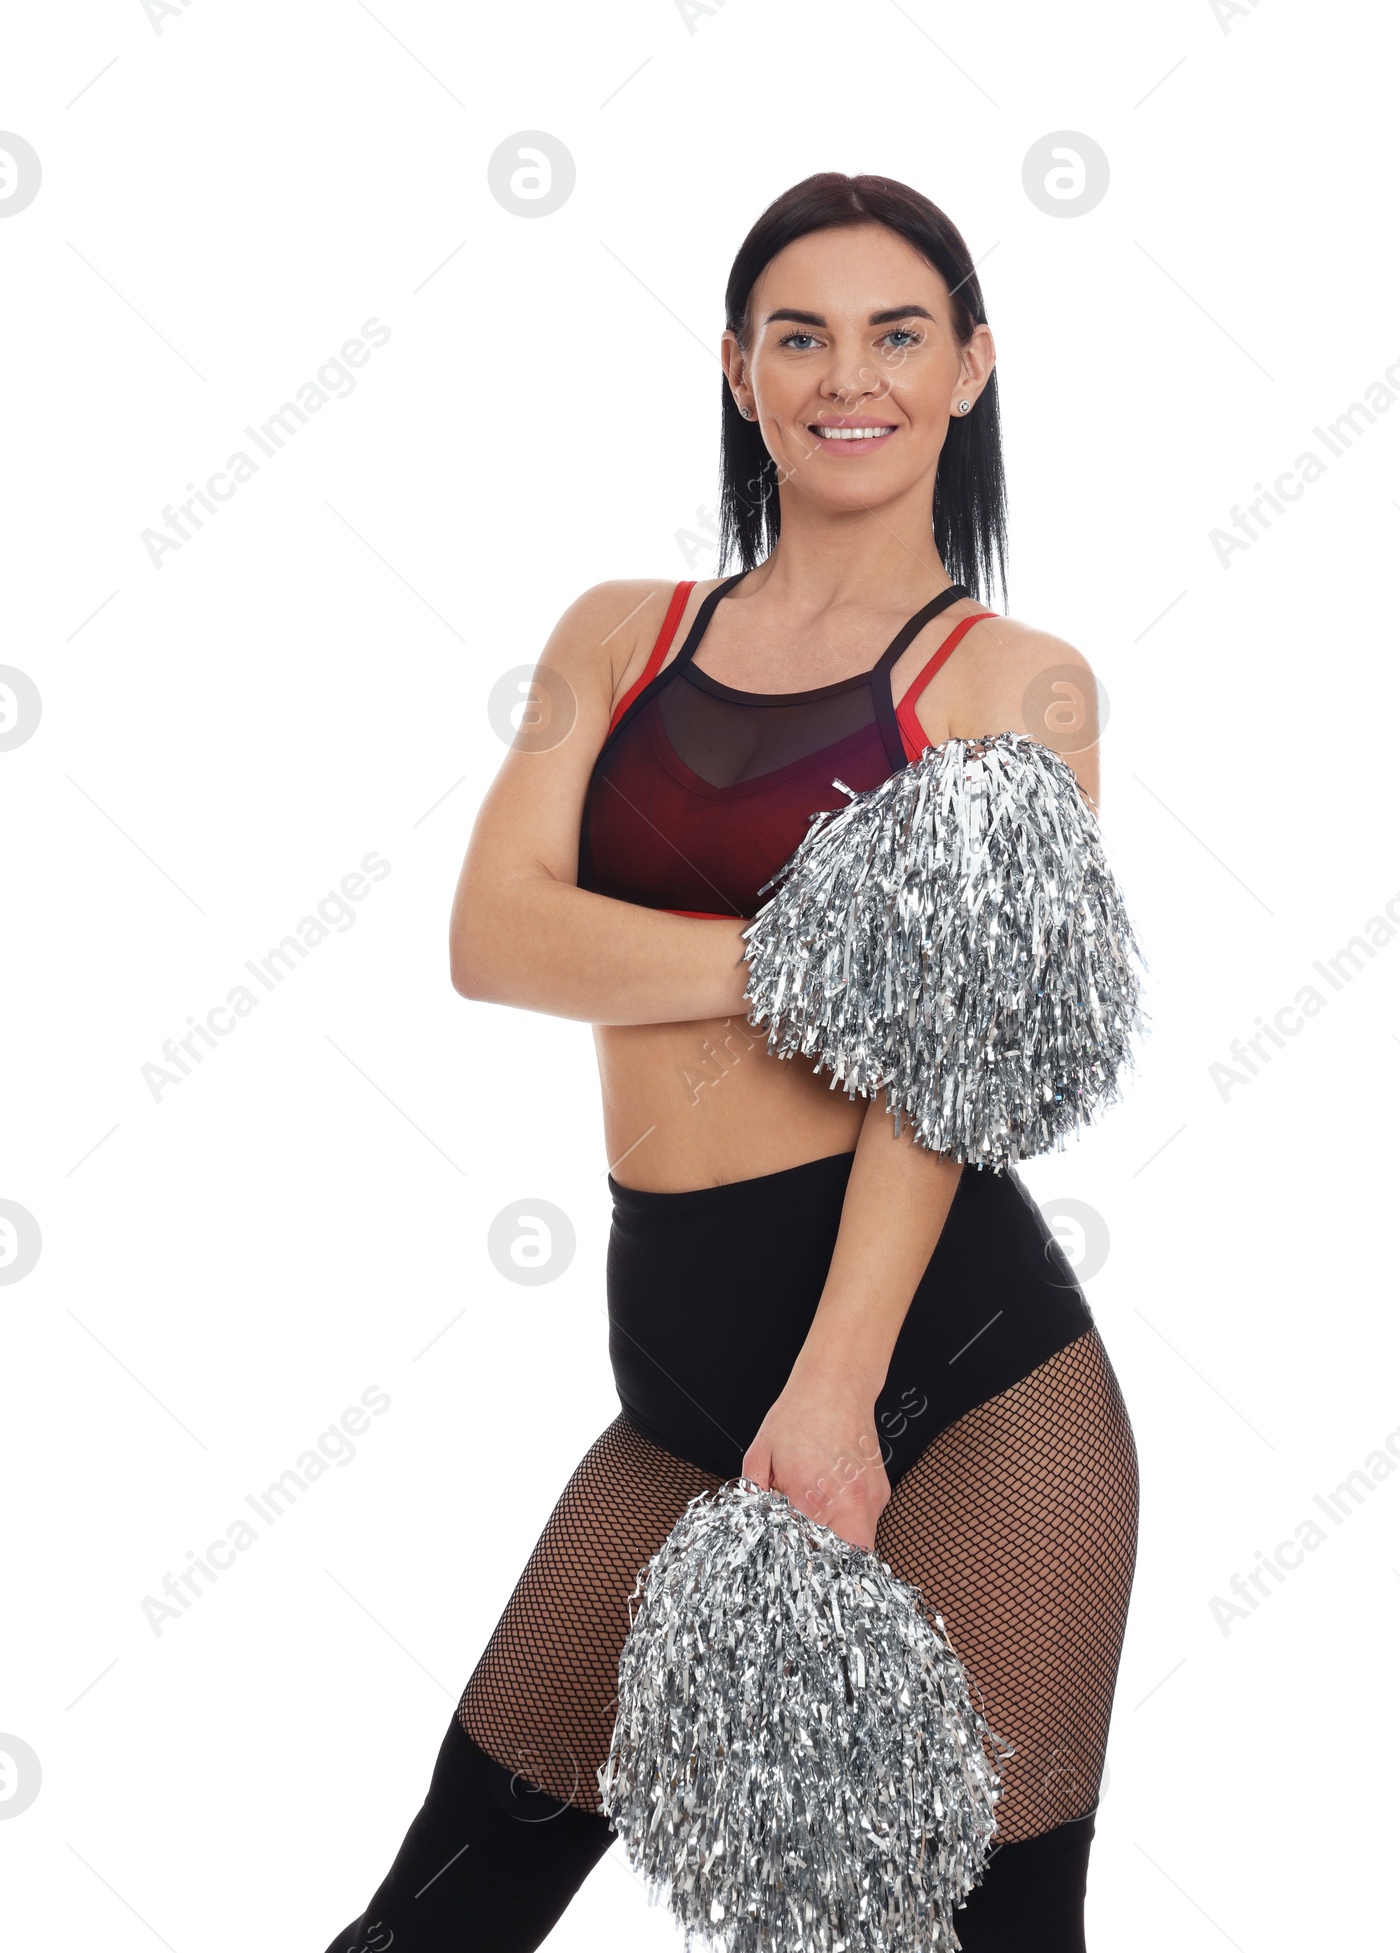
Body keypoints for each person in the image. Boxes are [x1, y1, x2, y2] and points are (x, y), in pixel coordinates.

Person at [323, 170, 1139, 1953]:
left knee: (989, 1938)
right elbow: (495, 936)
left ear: (973, 366)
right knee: (438, 1912)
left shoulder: (1021, 685)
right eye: (802, 334)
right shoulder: (620, 634)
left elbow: (958, 1076)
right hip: (684, 1384)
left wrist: (840, 1395)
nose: (852, 375)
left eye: (899, 332)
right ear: (740, 369)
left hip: (966, 1380)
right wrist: (840, 961)